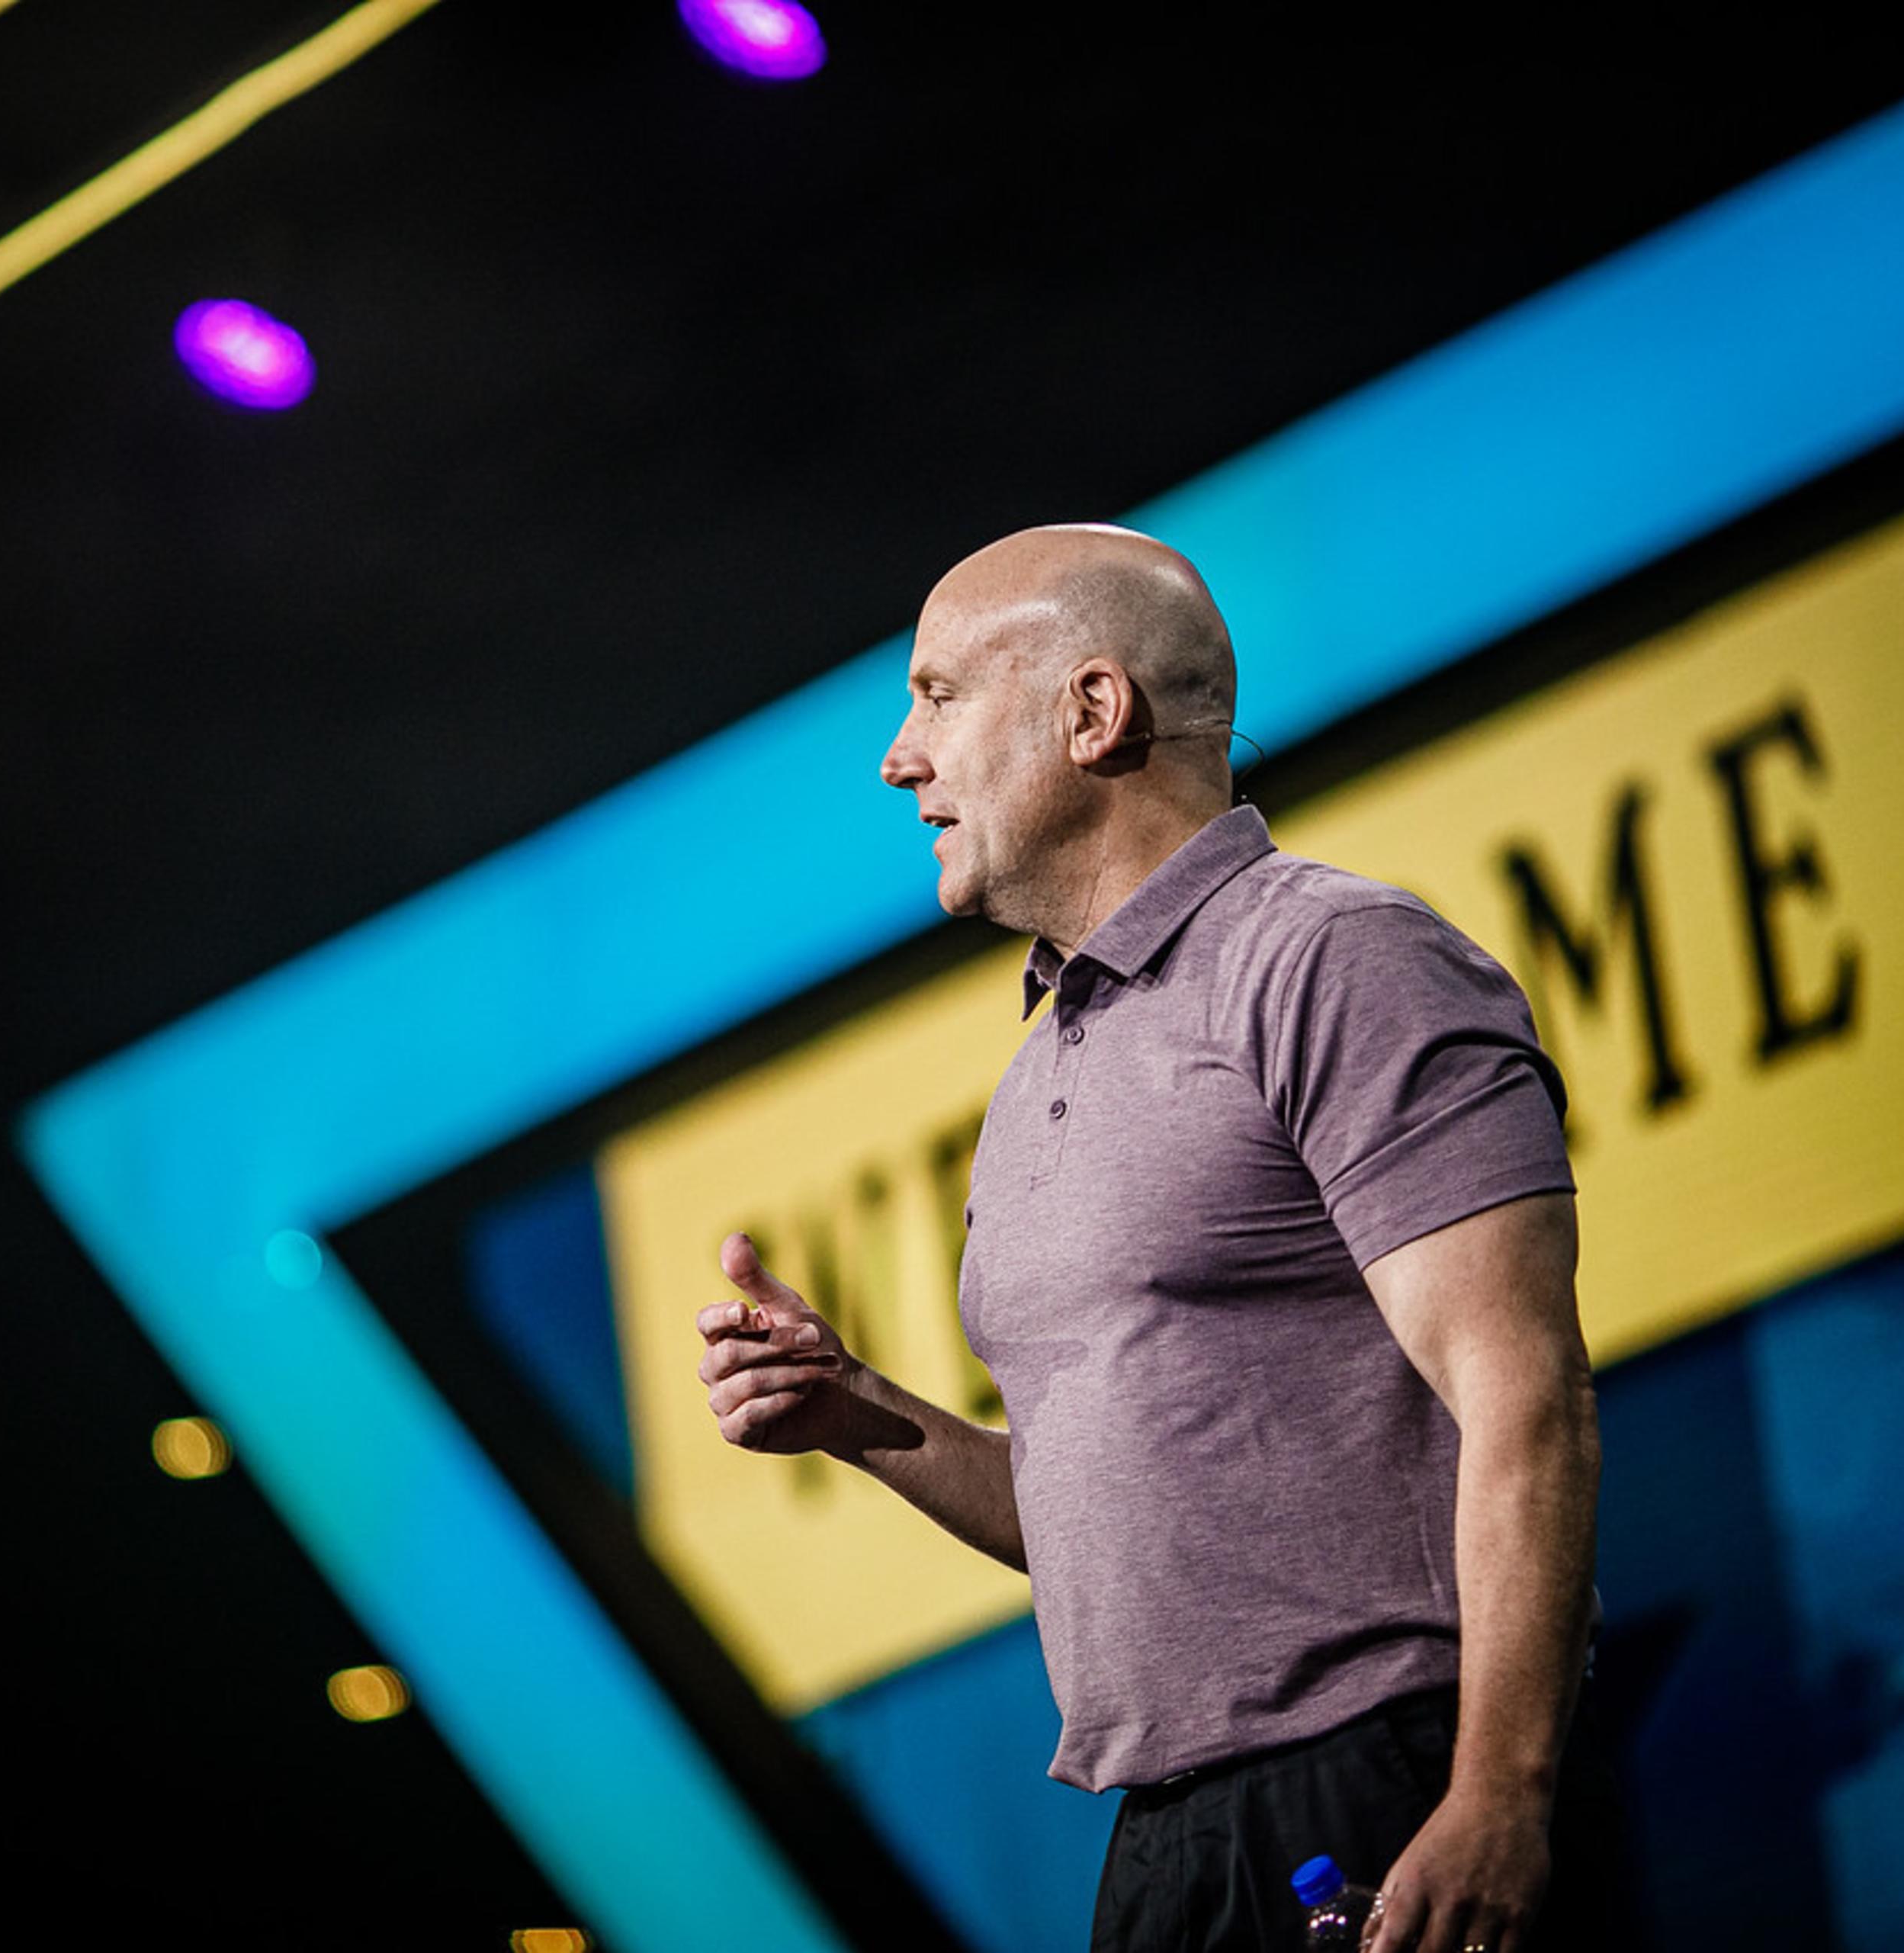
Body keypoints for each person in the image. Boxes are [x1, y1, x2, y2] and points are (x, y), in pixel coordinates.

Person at [695, 525, 1627, 1952]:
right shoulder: (1038, 1070)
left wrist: (1498, 1790)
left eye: (939, 695)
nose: (898, 758)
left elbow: (1529, 1395)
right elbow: (1095, 1517)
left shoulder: (1336, 958)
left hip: (1390, 1783)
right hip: (1163, 1844)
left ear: (1094, 710)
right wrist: (854, 1412)